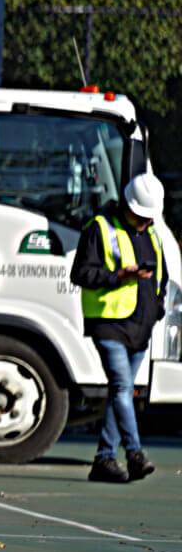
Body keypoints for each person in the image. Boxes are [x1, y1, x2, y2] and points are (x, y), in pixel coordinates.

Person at [70, 172, 168, 483]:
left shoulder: (151, 233)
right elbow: (81, 273)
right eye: (140, 217)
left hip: (140, 327)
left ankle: (104, 460)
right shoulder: (100, 229)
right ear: (127, 205)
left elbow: (160, 277)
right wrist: (117, 277)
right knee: (123, 388)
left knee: (119, 392)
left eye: (148, 218)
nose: (144, 223)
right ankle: (135, 453)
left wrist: (158, 307)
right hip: (109, 324)